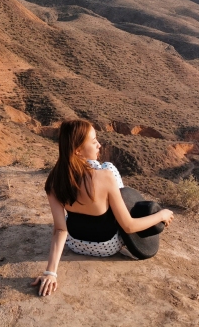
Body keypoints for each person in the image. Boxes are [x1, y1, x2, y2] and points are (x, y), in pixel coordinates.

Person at [32, 119, 174, 297]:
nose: (99, 145)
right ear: (77, 150)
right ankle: (116, 202)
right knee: (109, 167)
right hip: (108, 246)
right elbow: (128, 226)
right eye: (93, 141)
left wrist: (51, 272)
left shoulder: (54, 181)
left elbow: (60, 229)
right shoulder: (105, 176)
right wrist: (161, 215)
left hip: (75, 243)